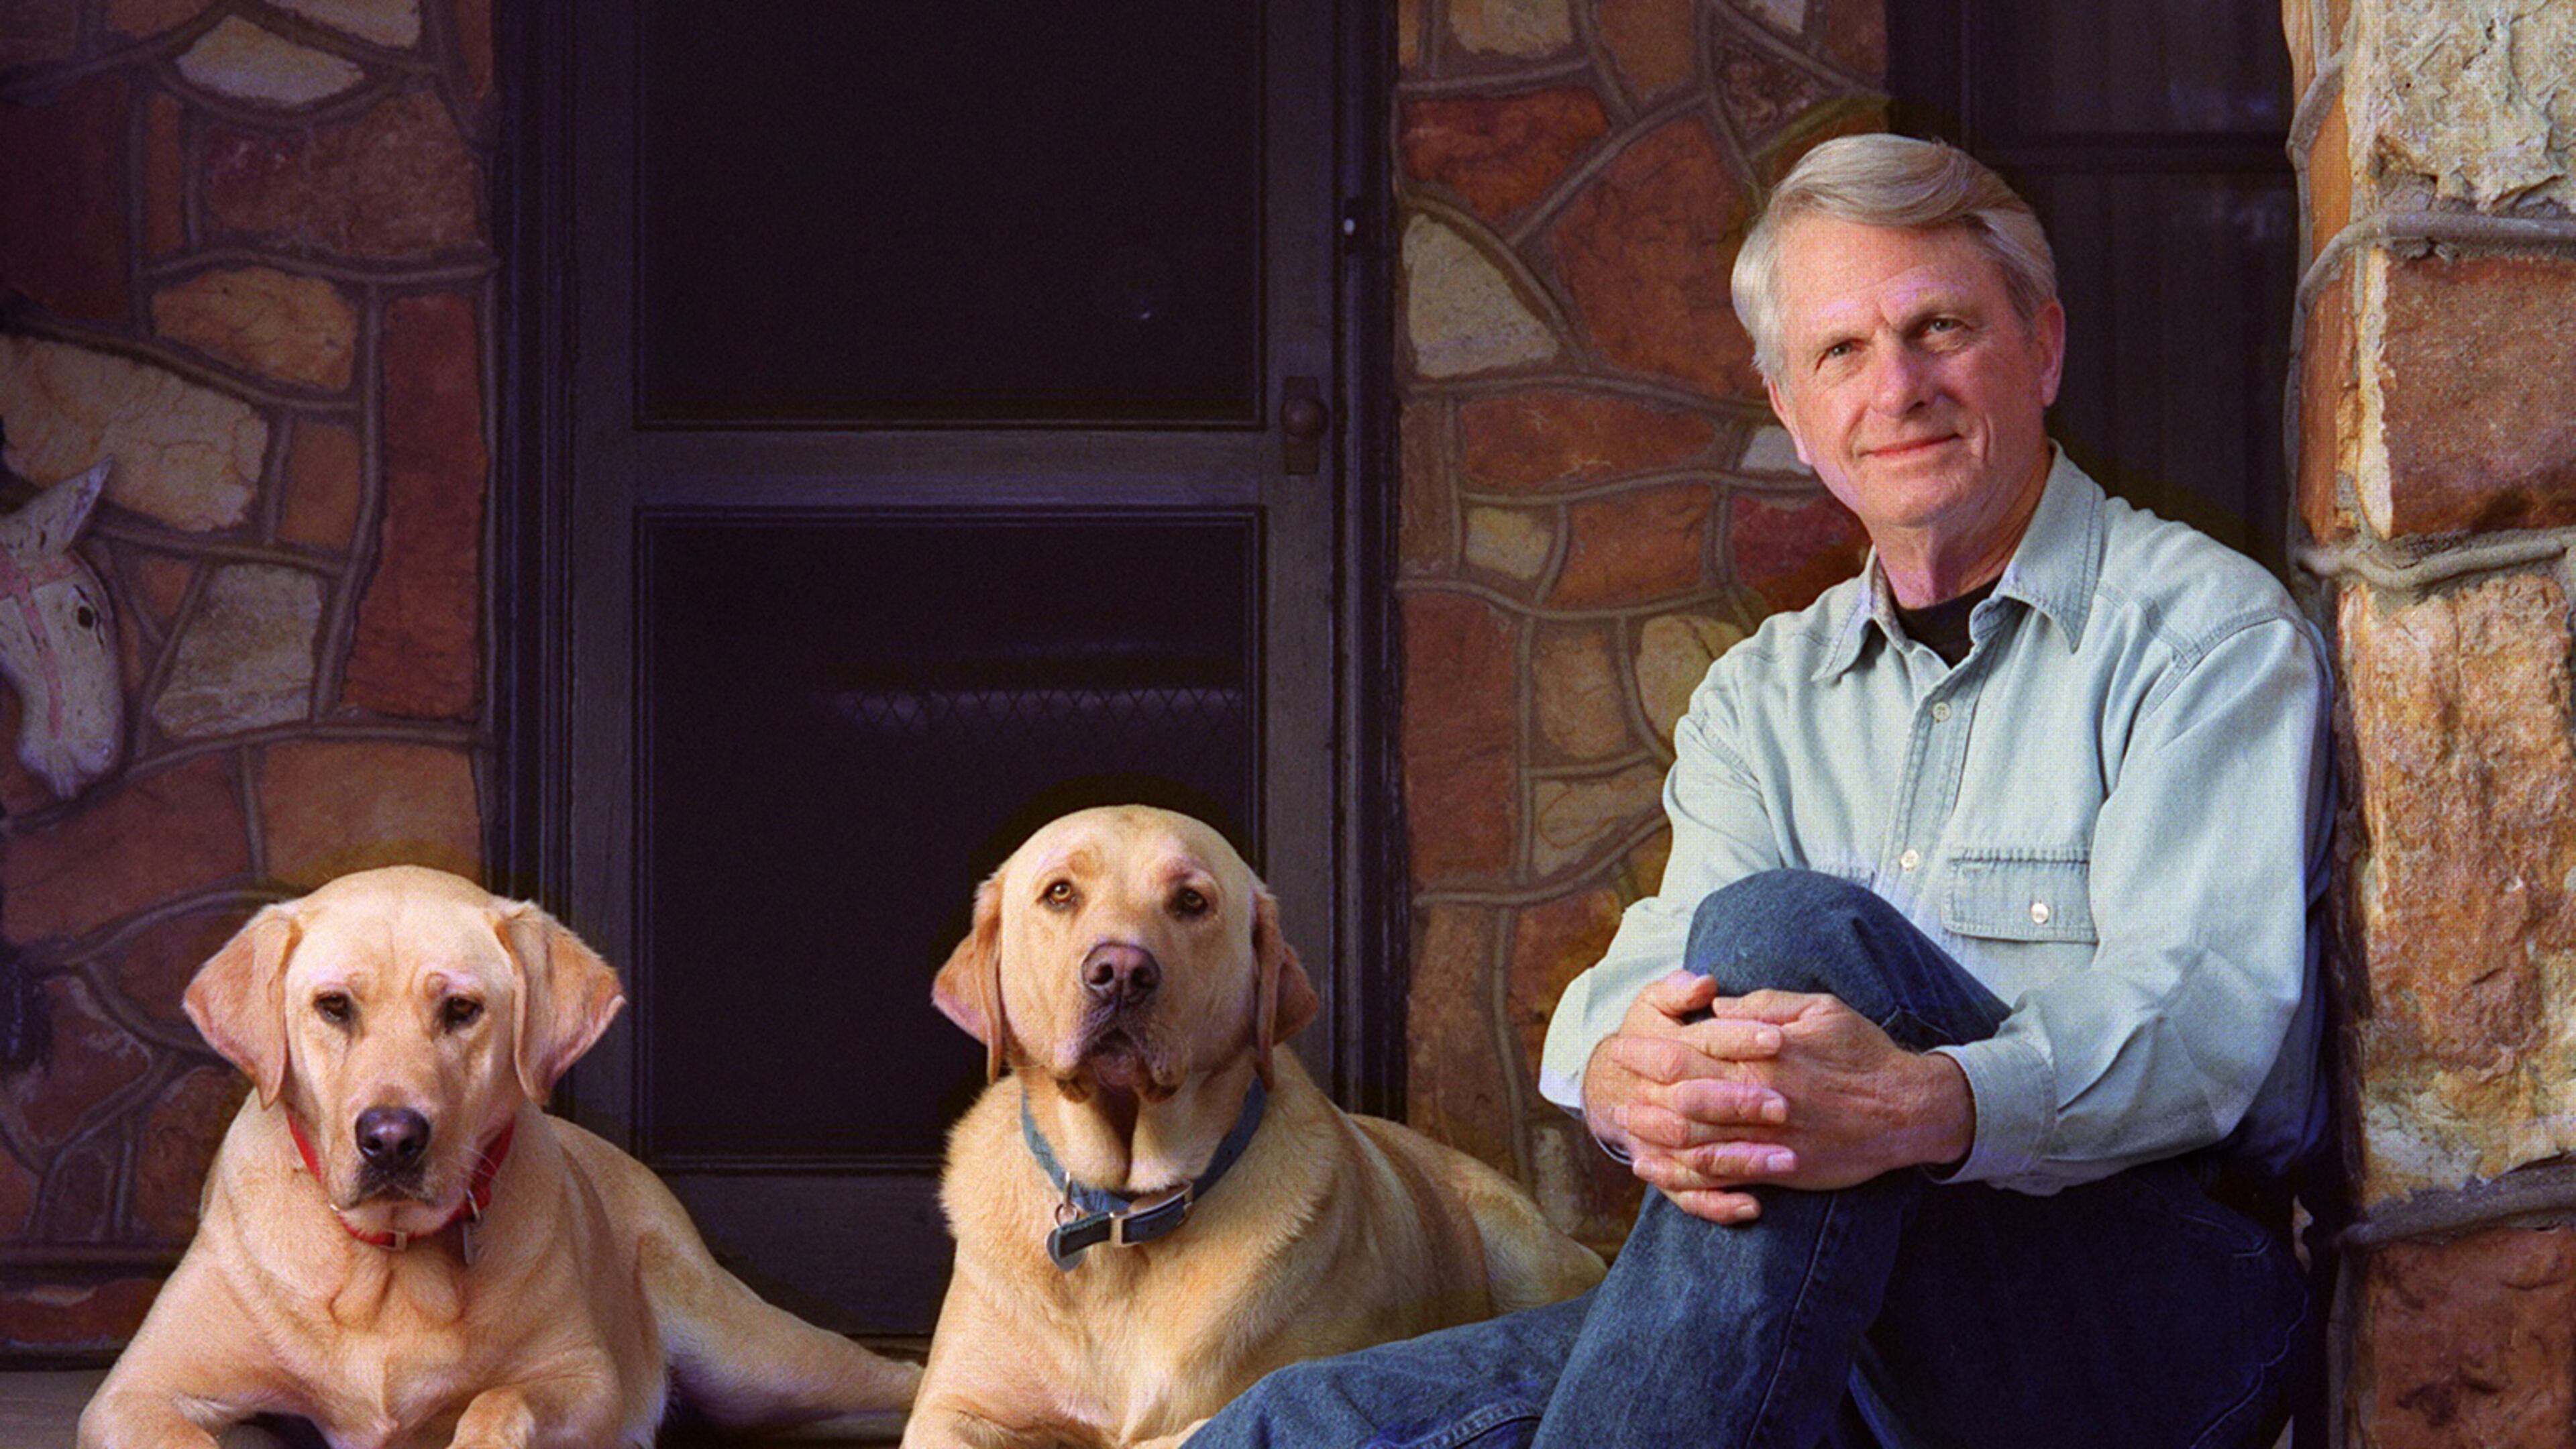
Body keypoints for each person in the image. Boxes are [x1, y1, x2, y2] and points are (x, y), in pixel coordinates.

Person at [1185, 133, 2331, 1448]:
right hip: (1848, 1320)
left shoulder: (2204, 639)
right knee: (1287, 1429)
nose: (1895, 385)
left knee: (1790, 938)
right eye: (1840, 351)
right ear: (1791, 408)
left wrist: (1915, 1105)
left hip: (2141, 1324)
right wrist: (1624, 1071)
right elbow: (1661, 966)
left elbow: (2203, 1030)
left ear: (2044, 349)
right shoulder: (1762, 698)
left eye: (1940, 327)